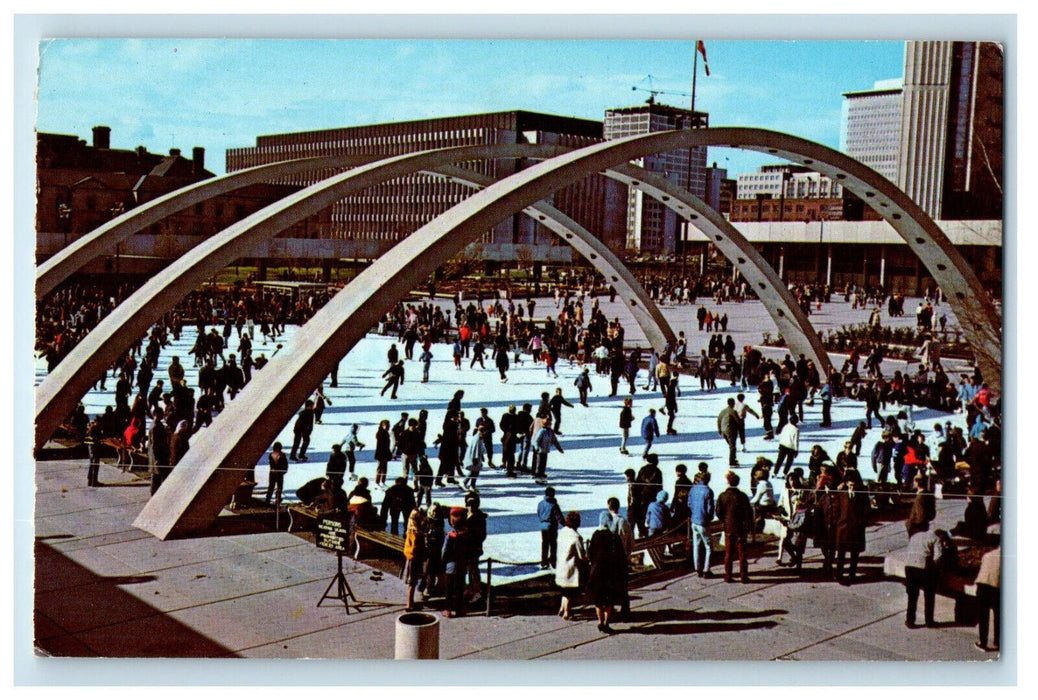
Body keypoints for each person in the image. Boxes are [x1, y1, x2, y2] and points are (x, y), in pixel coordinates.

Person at [587, 511, 627, 634]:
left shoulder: (596, 535)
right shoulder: (614, 537)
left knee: (598, 600)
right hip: (611, 573)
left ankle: (600, 621)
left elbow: (590, 553)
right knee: (609, 601)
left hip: (597, 572)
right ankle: (606, 622)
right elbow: (621, 556)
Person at [832, 469, 870, 585]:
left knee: (854, 554)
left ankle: (852, 575)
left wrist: (861, 523)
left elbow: (867, 510)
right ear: (846, 483)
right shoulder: (841, 494)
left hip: (856, 529)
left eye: (854, 484)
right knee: (841, 554)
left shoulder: (862, 494)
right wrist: (838, 522)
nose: (852, 486)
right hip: (843, 529)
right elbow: (836, 510)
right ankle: (839, 575)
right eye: (850, 484)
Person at [715, 471, 753, 583]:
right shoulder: (743, 496)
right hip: (741, 528)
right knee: (742, 554)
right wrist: (749, 526)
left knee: (728, 553)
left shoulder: (722, 496)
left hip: (728, 528)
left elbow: (718, 512)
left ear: (728, 482)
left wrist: (725, 520)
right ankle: (743, 576)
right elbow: (748, 513)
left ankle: (728, 575)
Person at [903, 525, 942, 628]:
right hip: (923, 566)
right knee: (929, 595)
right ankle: (929, 621)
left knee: (912, 596)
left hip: (909, 566)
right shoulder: (935, 538)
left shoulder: (914, 536)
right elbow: (938, 556)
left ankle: (910, 621)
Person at [604, 497, 633, 618]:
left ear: (608, 507)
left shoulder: (605, 521)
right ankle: (625, 609)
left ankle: (609, 611)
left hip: (609, 558)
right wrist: (627, 553)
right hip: (621, 557)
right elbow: (631, 541)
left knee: (609, 585)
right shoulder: (624, 521)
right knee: (623, 585)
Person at [555, 511, 587, 620]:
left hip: (561, 566)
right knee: (570, 592)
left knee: (564, 589)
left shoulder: (562, 532)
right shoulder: (576, 537)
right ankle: (567, 613)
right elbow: (582, 555)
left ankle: (562, 608)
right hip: (571, 568)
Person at [440, 507, 469, 618]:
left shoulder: (450, 536)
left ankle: (448, 609)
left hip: (450, 566)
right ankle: (459, 610)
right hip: (462, 566)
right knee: (459, 589)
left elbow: (444, 551)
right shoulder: (466, 535)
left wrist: (442, 562)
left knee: (449, 589)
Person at [973, 546, 1000, 652]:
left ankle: (982, 643)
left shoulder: (987, 555)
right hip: (996, 587)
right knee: (998, 616)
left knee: (983, 616)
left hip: (982, 586)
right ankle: (998, 642)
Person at [689, 471, 715, 578]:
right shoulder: (708, 491)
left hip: (694, 520)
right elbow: (710, 508)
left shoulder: (693, 489)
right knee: (708, 547)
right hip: (703, 522)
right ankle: (706, 569)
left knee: (696, 545)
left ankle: (697, 567)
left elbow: (689, 504)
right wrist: (709, 517)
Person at [631, 454, 664, 538]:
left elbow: (637, 484)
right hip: (652, 498)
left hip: (641, 497)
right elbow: (659, 487)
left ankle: (641, 532)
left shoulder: (642, 470)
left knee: (641, 516)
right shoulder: (658, 472)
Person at [402, 507, 427, 612]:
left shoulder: (410, 529)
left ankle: (410, 602)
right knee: (412, 582)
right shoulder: (416, 533)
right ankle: (409, 604)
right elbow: (415, 547)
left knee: (412, 582)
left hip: (410, 558)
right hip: (414, 559)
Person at [538, 486, 565, 569]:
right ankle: (553, 561)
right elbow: (559, 516)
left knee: (544, 544)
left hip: (543, 526)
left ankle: (544, 561)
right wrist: (565, 524)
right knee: (553, 544)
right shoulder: (554, 505)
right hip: (552, 526)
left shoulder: (541, 503)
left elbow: (538, 513)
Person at [531, 417, 564, 484]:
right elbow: (536, 441)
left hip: (545, 450)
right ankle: (538, 475)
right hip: (540, 450)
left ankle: (542, 474)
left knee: (543, 463)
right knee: (539, 463)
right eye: (549, 424)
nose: (550, 425)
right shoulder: (541, 431)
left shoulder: (550, 431)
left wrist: (559, 448)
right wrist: (537, 448)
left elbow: (555, 441)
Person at [717, 398, 741, 467]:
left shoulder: (722, 411)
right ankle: (732, 462)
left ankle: (733, 459)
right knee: (732, 446)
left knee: (731, 446)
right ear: (733, 404)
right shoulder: (733, 411)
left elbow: (719, 420)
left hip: (723, 430)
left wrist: (719, 430)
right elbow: (738, 421)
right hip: (730, 430)